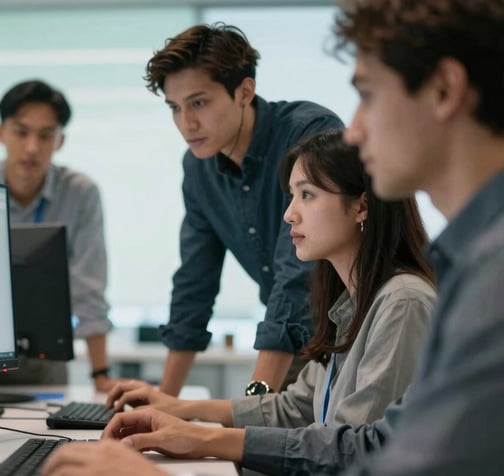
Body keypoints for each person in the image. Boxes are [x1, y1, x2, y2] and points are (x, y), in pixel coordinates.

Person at [43, 0, 504, 474]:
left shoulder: (443, 290)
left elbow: (357, 452)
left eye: (367, 95)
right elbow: (194, 286)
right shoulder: (423, 284)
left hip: (299, 337)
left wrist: (185, 455)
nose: (356, 131)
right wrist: (170, 408)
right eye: (175, 108)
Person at [105, 129, 435, 432]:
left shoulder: (403, 303)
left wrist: (197, 438)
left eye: (307, 195)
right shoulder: (350, 305)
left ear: (362, 205)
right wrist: (180, 409)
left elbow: (350, 448)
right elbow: (297, 407)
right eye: (291, 196)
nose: (289, 214)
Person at [148, 23, 344, 396]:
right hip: (296, 339)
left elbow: (297, 276)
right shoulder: (199, 169)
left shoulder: (309, 135)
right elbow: (195, 282)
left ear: (244, 91)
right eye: (175, 108)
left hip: (358, 334)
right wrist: (162, 402)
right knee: (249, 439)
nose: (186, 124)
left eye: (199, 102)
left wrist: (256, 402)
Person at [0, 80, 119, 391]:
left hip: (44, 363)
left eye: (46, 135)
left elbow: (89, 287)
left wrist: (101, 374)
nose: (32, 147)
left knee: (46, 435)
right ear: (1, 133)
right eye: (21, 132)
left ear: (60, 140)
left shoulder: (79, 193)